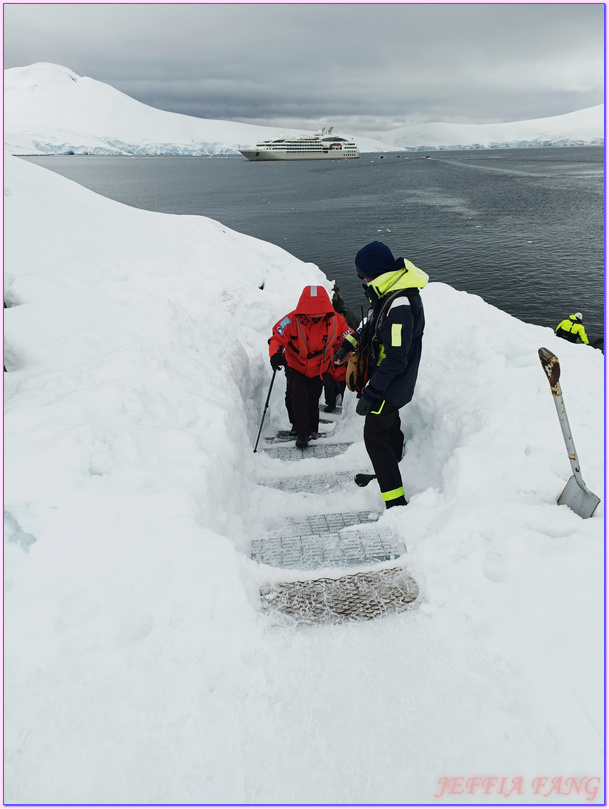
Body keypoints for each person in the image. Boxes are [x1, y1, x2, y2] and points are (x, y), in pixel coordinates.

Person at [334, 241, 428, 509]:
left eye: (362, 274)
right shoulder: (387, 293)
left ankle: (395, 499)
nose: (362, 279)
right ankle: (393, 465)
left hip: (390, 385)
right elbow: (371, 326)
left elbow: (396, 359)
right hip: (391, 384)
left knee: (374, 435)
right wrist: (346, 346)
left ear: (373, 273)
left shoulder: (399, 305)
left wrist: (372, 394)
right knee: (389, 426)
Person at [269, 285, 353, 448]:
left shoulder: (336, 321)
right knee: (298, 393)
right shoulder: (291, 320)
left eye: (320, 312)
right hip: (295, 364)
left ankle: (312, 431)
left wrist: (353, 350)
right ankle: (301, 433)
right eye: (312, 313)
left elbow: (349, 338)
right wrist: (275, 354)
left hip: (319, 368)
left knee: (313, 399)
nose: (316, 316)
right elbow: (277, 336)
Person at [322, 283, 360, 412]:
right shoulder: (347, 316)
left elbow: (355, 334)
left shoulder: (345, 319)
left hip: (343, 358)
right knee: (330, 384)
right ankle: (332, 403)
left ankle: (339, 404)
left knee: (341, 384)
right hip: (331, 360)